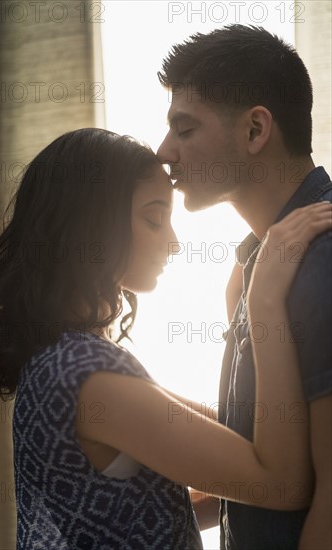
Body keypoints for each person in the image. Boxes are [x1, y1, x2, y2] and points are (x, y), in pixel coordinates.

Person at [0, 128, 331, 550]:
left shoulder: (66, 361)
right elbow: (281, 483)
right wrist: (265, 300)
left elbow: (148, 505)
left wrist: (238, 300)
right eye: (153, 217)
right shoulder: (87, 379)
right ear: (91, 225)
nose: (174, 243)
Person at [157, 24, 332, 550]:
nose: (164, 151)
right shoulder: (257, 261)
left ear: (256, 130)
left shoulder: (321, 261)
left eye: (184, 130)